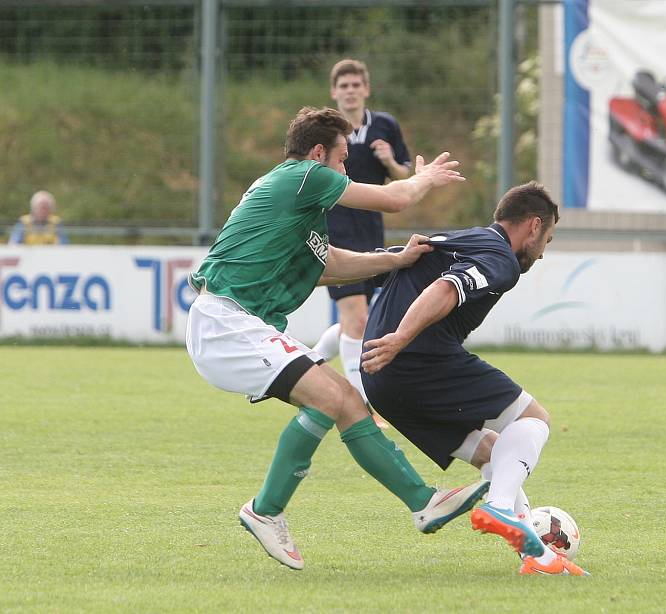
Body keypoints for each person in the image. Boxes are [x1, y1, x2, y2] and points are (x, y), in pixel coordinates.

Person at [185, 106, 488, 571]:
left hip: (240, 325)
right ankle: (265, 509)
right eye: (344, 159)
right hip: (227, 322)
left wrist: (394, 260)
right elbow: (394, 200)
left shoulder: (297, 199)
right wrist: (423, 179)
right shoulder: (305, 175)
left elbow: (326, 265)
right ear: (319, 152)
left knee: (344, 402)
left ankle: (423, 503)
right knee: (333, 399)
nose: (346, 169)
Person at [360, 181, 590, 577]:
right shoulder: (500, 255)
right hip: (416, 359)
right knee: (533, 419)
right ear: (532, 226)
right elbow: (446, 288)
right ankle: (501, 507)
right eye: (547, 240)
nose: (542, 251)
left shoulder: (456, 239)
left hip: (381, 382)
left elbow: (382, 271)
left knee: (493, 453)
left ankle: (535, 557)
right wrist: (400, 338)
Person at [312, 59, 411, 427]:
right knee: (358, 317)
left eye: (356, 85)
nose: (350, 90)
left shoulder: (384, 126)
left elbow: (404, 175)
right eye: (344, 85)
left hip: (371, 235)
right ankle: (366, 406)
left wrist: (390, 161)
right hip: (332, 232)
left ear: (366, 89)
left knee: (360, 321)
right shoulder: (322, 131)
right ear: (334, 92)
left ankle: (307, 360)